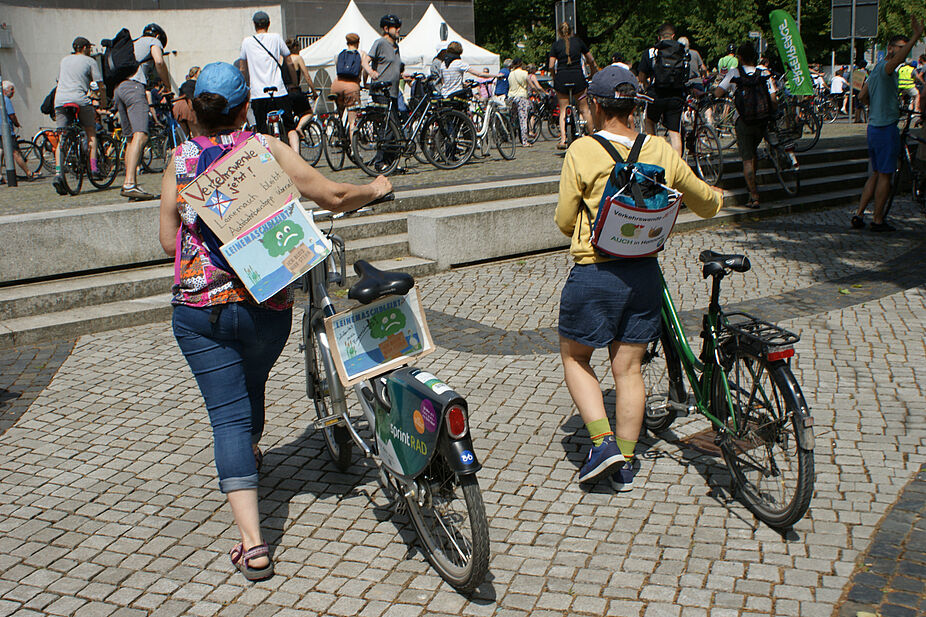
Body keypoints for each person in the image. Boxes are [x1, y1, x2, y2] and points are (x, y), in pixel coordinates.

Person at [158, 62, 391, 582]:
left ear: (194, 107)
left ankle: (253, 544)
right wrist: (375, 187)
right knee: (253, 378)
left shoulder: (182, 159)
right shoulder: (265, 149)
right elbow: (330, 195)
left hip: (200, 312)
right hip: (266, 306)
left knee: (228, 414)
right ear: (246, 107)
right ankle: (251, 443)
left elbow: (168, 240)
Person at [555, 65, 722, 490]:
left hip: (595, 271)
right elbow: (703, 201)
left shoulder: (581, 150)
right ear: (633, 107)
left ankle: (603, 443)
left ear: (594, 105)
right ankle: (626, 465)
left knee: (576, 357)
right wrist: (717, 199)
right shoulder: (661, 149)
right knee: (628, 371)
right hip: (644, 272)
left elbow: (562, 220)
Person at [852, 18, 924, 232]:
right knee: (885, 174)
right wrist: (916, 37)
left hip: (874, 127)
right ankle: (877, 219)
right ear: (891, 49)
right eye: (900, 49)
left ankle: (858, 214)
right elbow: (895, 61)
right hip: (885, 128)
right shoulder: (886, 67)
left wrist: (879, 106)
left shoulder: (875, 71)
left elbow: (863, 96)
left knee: (875, 173)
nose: (905, 53)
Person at [713, 42, 777, 209]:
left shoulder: (735, 73)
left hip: (743, 121)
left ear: (740, 57)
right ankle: (752, 185)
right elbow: (773, 98)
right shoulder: (764, 72)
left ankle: (754, 196)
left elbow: (718, 92)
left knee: (747, 159)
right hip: (762, 120)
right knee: (753, 153)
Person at [113, 23, 172, 201]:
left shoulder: (134, 43)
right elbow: (159, 61)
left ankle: (130, 183)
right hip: (134, 87)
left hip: (119, 88)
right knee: (141, 134)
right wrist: (167, 86)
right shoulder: (153, 41)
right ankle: (130, 183)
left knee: (131, 138)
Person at [50, 37, 103, 192]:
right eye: (90, 48)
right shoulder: (90, 61)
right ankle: (93, 168)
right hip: (79, 99)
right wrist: (103, 100)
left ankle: (59, 172)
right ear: (85, 48)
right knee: (91, 133)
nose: (91, 51)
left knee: (62, 138)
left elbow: (58, 79)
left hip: (59, 100)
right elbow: (99, 83)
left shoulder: (64, 60)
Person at [239, 11, 298, 149]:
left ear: (254, 25)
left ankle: (267, 159)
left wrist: (247, 85)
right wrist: (294, 82)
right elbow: (289, 61)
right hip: (279, 90)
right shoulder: (276, 38)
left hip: (258, 93)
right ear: (269, 24)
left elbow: (242, 68)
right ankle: (296, 155)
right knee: (290, 127)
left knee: (262, 131)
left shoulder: (247, 42)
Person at [638, 23, 689, 157]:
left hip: (656, 95)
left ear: (659, 37)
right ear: (673, 36)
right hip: (676, 95)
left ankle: (655, 155)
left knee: (649, 121)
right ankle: (677, 167)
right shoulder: (682, 51)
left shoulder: (651, 52)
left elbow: (641, 76)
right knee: (675, 133)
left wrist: (646, 85)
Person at [548, 21, 598, 148]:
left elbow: (551, 65)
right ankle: (592, 136)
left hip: (562, 78)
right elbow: (591, 60)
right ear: (572, 31)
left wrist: (554, 77)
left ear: (559, 32)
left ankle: (563, 139)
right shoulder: (579, 42)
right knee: (584, 109)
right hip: (577, 78)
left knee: (563, 109)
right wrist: (592, 72)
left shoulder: (556, 45)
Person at [0, 81, 38, 181]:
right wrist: (17, 124)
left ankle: (0, 177)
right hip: (7, 131)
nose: (13, 92)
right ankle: (29, 173)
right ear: (5, 90)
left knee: (1, 152)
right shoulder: (6, 100)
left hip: (0, 131)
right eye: (11, 89)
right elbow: (11, 115)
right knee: (16, 153)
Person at [283, 38, 318, 145]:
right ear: (295, 47)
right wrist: (314, 91)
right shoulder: (297, 58)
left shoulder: (282, 59)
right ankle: (299, 127)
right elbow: (307, 76)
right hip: (295, 91)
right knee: (308, 112)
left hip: (284, 92)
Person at [331, 33, 365, 134]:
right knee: (352, 121)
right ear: (358, 43)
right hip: (352, 86)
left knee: (340, 110)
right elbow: (365, 71)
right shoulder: (361, 54)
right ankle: (353, 149)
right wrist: (365, 82)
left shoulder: (339, 55)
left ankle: (339, 130)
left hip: (336, 85)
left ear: (347, 43)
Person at [508, 59, 533, 146]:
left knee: (512, 119)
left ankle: (511, 136)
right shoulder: (524, 73)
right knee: (523, 119)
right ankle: (524, 141)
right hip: (521, 96)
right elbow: (530, 84)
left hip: (511, 97)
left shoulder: (510, 74)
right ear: (521, 64)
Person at [173, 66, 200, 137]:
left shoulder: (184, 84)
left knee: (185, 135)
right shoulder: (196, 84)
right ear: (195, 74)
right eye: (200, 72)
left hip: (178, 107)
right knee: (196, 133)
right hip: (188, 106)